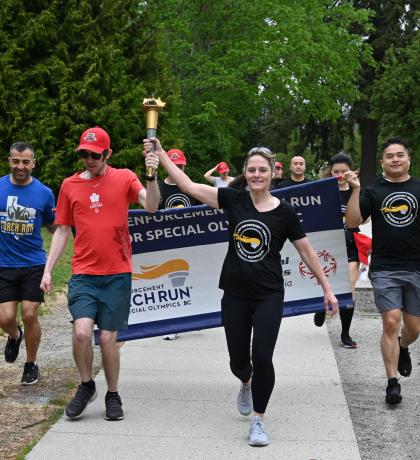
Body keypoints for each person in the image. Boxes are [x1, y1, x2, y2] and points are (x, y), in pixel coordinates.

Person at [144, 138, 338, 447]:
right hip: (234, 292)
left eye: (263, 170)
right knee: (239, 361)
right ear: (245, 173)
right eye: (252, 170)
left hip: (269, 295)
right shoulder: (234, 200)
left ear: (272, 173)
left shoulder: (285, 212)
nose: (257, 175)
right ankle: (245, 382)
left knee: (263, 356)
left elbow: (307, 252)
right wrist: (160, 153)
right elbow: (188, 185)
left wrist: (327, 289)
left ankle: (258, 420)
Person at [40, 126, 160, 421]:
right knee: (81, 333)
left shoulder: (125, 178)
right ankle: (86, 385)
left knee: (108, 339)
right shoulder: (69, 185)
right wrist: (47, 270)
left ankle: (113, 393)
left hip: (117, 273)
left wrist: (152, 176)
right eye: (84, 154)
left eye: (94, 155)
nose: (88, 160)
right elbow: (62, 230)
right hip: (83, 273)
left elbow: (153, 206)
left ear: (107, 154)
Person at [345, 138, 420, 405]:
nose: (396, 159)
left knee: (413, 328)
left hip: (416, 267)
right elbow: (353, 221)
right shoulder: (374, 189)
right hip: (385, 267)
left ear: (409, 158)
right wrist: (355, 190)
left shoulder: (418, 187)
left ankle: (403, 346)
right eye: (390, 156)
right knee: (390, 321)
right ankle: (392, 383)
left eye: (400, 155)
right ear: (383, 162)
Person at [0, 142, 55, 385]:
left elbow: (54, 225)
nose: (20, 166)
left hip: (33, 263)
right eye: (15, 161)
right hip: (4, 264)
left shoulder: (44, 193)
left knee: (30, 313)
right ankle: (15, 335)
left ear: (33, 163)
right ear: (9, 161)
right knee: (5, 318)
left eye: (25, 162)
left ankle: (31, 364)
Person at [313, 153, 359, 348]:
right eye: (336, 172)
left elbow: (363, 219)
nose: (340, 175)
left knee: (348, 290)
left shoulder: (357, 191)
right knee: (327, 284)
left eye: (344, 171)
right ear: (330, 172)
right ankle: (321, 306)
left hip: (350, 244)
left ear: (351, 171)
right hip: (328, 245)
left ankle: (345, 334)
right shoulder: (323, 191)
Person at [159, 148, 200, 340]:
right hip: (167, 243)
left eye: (180, 165)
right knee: (173, 283)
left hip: (191, 242)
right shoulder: (158, 187)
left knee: (194, 281)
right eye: (173, 165)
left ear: (185, 165)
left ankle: (194, 317)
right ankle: (171, 324)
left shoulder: (191, 187)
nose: (177, 168)